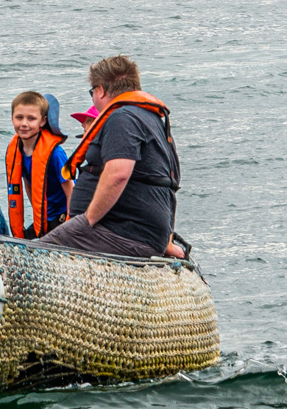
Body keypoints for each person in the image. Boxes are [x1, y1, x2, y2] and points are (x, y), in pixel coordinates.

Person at [41, 54, 185, 259]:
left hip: (123, 233)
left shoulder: (122, 118)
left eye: (92, 92)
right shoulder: (150, 118)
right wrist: (166, 241)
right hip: (143, 233)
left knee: (33, 253)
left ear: (100, 90)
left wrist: (88, 220)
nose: (93, 97)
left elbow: (118, 174)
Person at [5, 92, 74, 239]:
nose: (24, 123)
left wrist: (69, 226)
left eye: (31, 118)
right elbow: (28, 184)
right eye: (19, 117)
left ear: (42, 121)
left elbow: (71, 191)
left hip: (62, 216)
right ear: (12, 118)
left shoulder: (55, 154)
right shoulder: (17, 151)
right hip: (44, 217)